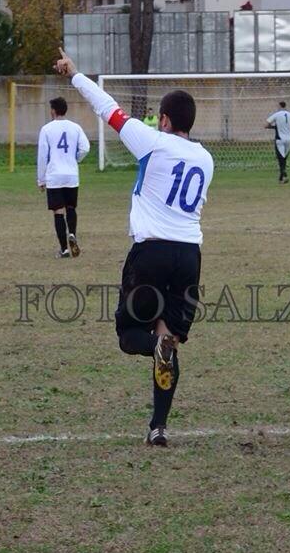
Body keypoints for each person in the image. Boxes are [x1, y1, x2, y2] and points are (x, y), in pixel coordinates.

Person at [54, 47, 214, 448]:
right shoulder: (206, 158)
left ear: (163, 120)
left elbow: (108, 109)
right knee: (169, 339)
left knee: (130, 334)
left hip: (152, 253)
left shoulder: (153, 142)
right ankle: (158, 427)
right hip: (189, 256)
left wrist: (74, 74)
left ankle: (154, 349)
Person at [37, 97, 90, 258]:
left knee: (58, 212)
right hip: (71, 175)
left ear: (53, 110)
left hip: (54, 176)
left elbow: (42, 155)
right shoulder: (75, 127)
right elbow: (85, 148)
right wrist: (75, 159)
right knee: (71, 208)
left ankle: (64, 249)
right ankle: (72, 233)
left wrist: (41, 179)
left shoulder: (46, 129)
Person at [265, 101, 290, 183]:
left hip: (279, 139)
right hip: (289, 140)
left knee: (280, 159)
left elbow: (266, 125)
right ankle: (281, 179)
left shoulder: (277, 114)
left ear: (280, 106)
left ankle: (285, 175)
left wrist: (274, 127)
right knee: (284, 159)